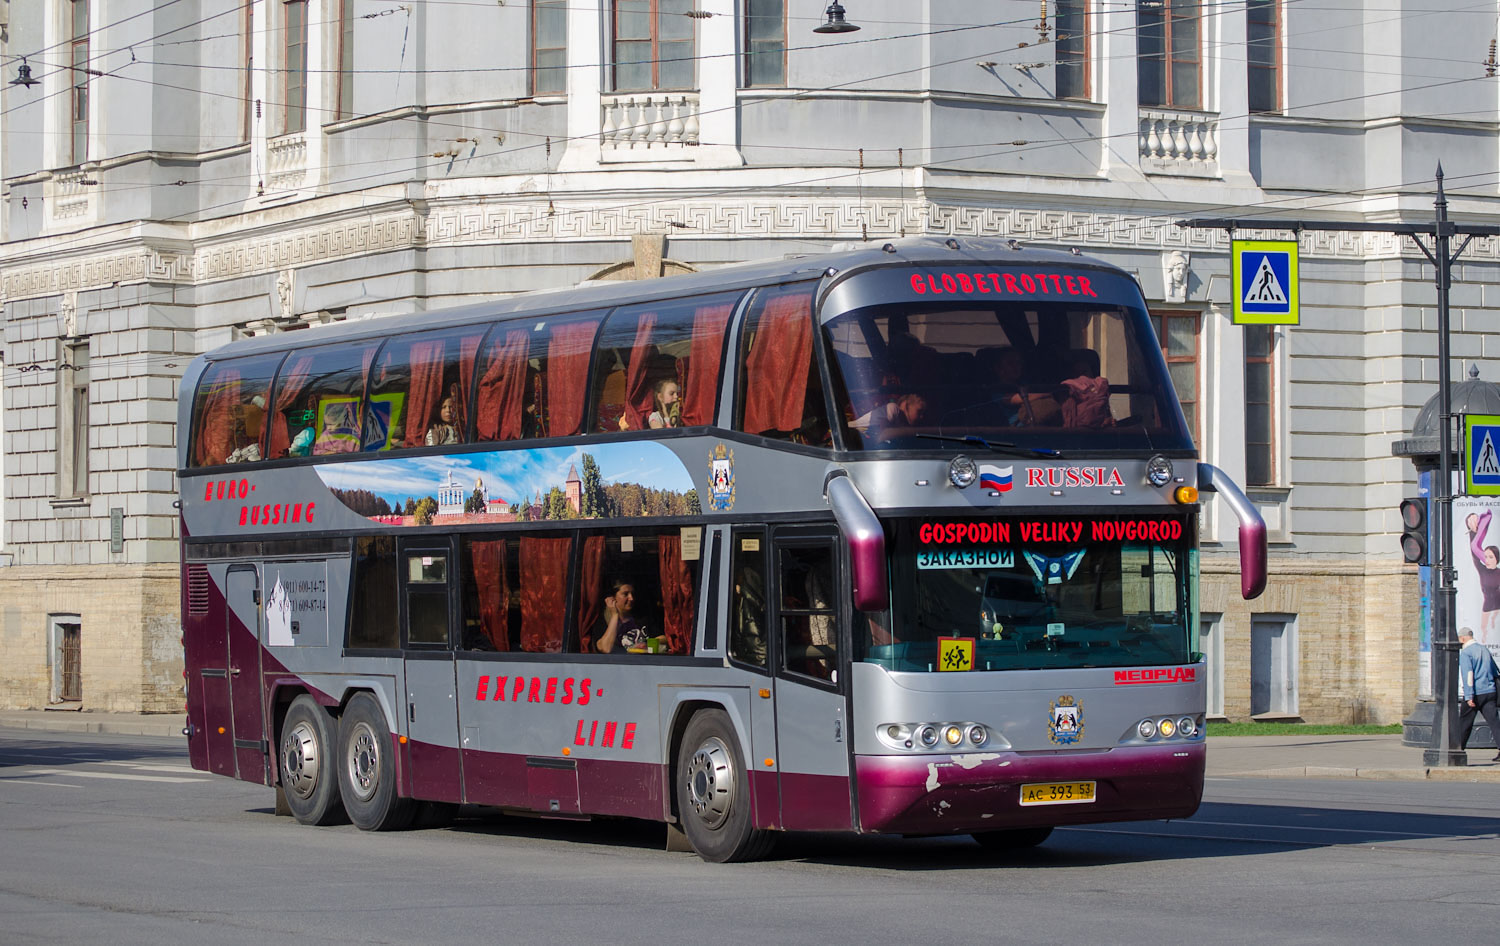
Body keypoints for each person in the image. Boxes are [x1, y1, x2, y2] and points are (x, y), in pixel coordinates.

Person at [1456, 628, 1500, 760]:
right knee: (1494, 723)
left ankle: (1457, 749)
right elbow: (1494, 670)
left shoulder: (1466, 653)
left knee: (1464, 722)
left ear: (1463, 638)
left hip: (1476, 693)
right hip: (1490, 691)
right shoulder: (1484, 649)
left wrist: (1469, 696)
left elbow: (1468, 675)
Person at [1467, 510, 1500, 642]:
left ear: (1497, 559)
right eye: (1485, 556)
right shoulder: (1482, 569)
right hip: (1486, 607)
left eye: (1491, 557)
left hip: (1498, 608)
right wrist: (1471, 523)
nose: (1487, 559)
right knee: (1484, 632)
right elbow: (1474, 548)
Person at [595, 580, 650, 653]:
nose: (631, 598)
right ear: (613, 598)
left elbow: (663, 638)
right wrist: (615, 615)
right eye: (625, 594)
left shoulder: (640, 619)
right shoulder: (602, 621)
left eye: (632, 594)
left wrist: (646, 644)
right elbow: (606, 648)